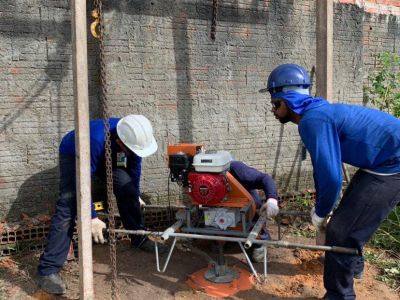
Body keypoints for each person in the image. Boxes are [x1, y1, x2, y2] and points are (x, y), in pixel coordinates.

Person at [261, 64, 400, 300]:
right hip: (381, 162)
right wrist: (320, 202)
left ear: (287, 101)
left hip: (392, 164)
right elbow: (322, 167)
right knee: (348, 216)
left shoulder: (312, 121)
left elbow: (333, 177)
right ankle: (352, 267)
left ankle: (339, 296)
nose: (273, 110)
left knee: (341, 231)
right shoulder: (317, 112)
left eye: (275, 104)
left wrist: (323, 210)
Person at [36, 115, 158, 295]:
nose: (133, 155)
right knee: (68, 205)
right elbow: (82, 182)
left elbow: (134, 169)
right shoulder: (94, 140)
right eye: (131, 151)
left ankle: (139, 238)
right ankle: (47, 271)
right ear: (120, 141)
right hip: (75, 152)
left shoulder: (135, 139)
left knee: (127, 188)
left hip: (106, 151)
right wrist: (91, 216)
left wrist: (135, 193)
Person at [229, 160, 279, 262]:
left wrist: (272, 200)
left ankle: (260, 243)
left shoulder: (236, 169)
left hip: (248, 205)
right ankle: (223, 241)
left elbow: (265, 179)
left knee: (255, 217)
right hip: (225, 205)